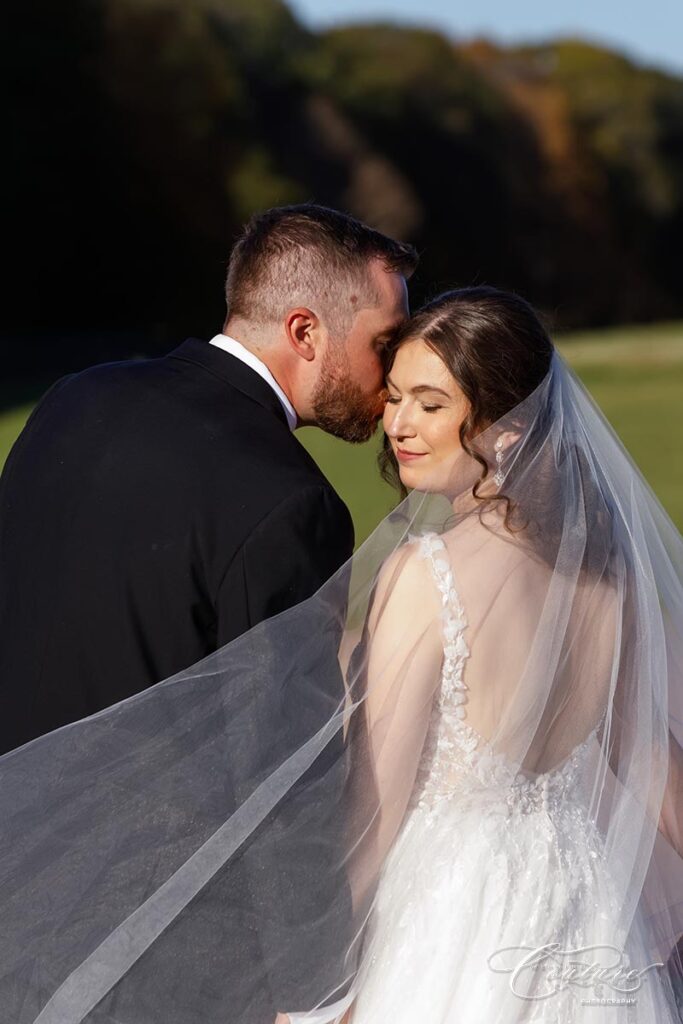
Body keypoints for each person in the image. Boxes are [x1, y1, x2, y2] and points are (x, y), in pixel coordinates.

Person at [0, 288, 681, 1023]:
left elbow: (374, 807)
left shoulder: (429, 573)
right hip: (583, 914)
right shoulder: (605, 573)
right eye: (393, 397)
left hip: (448, 922)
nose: (397, 425)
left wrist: (309, 986)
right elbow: (651, 765)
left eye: (430, 403)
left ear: (506, 428)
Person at [0, 203, 416, 1023]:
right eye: (383, 343)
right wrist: (315, 989)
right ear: (305, 331)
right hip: (158, 960)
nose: (392, 376)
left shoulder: (71, 402)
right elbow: (282, 773)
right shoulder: (289, 503)